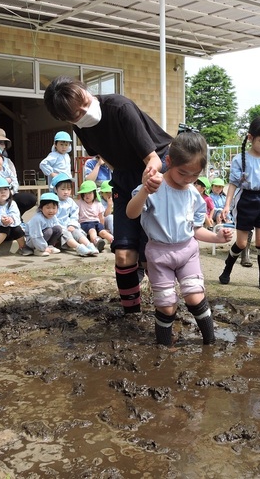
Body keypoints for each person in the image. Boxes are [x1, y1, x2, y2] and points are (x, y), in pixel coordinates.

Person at [43, 76, 173, 314]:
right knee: (123, 254)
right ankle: (131, 313)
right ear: (66, 119)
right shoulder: (80, 127)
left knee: (150, 254)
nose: (84, 111)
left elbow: (152, 158)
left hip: (154, 169)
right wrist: (119, 178)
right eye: (76, 114)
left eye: (83, 102)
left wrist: (149, 181)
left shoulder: (120, 108)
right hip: (125, 178)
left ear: (84, 90)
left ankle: (164, 312)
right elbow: (105, 157)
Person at [126, 131, 232, 346]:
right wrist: (144, 191)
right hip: (159, 254)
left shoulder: (193, 194)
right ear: (169, 161)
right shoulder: (154, 186)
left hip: (187, 252)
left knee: (194, 296)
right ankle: (164, 347)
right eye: (183, 173)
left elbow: (196, 230)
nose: (188, 179)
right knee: (166, 305)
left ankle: (210, 342)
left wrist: (217, 238)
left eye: (194, 175)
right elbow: (131, 213)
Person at [218, 116, 260, 290]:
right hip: (246, 201)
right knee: (242, 243)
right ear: (251, 138)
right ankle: (227, 269)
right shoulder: (240, 159)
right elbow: (233, 184)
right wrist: (227, 206)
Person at [0, 177, 33, 260]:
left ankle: (22, 247)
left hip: (10, 231)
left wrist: (11, 219)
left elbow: (16, 216)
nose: (3, 192)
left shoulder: (12, 203)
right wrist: (1, 220)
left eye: (5, 189)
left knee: (17, 228)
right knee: (4, 228)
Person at [50, 173, 99, 257]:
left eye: (69, 189)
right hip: (58, 227)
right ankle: (78, 247)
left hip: (68, 225)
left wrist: (72, 224)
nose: (66, 192)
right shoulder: (53, 202)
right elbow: (52, 217)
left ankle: (89, 245)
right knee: (66, 233)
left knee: (76, 231)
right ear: (55, 189)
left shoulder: (70, 201)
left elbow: (74, 214)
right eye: (63, 189)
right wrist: (63, 227)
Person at [76, 180, 112, 252]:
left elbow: (101, 217)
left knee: (103, 232)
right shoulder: (79, 203)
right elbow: (76, 215)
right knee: (92, 231)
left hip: (96, 222)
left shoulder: (98, 204)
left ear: (94, 193)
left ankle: (114, 241)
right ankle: (97, 242)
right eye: (84, 193)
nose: (87, 195)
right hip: (85, 223)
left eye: (89, 193)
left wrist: (102, 227)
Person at [25, 192, 63, 256]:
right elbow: (35, 235)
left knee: (58, 228)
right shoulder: (37, 219)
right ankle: (37, 250)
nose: (51, 211)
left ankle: (50, 246)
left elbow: (57, 227)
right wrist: (42, 247)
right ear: (41, 208)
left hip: (43, 238)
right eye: (48, 208)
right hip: (33, 241)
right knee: (49, 231)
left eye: (54, 208)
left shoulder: (53, 217)